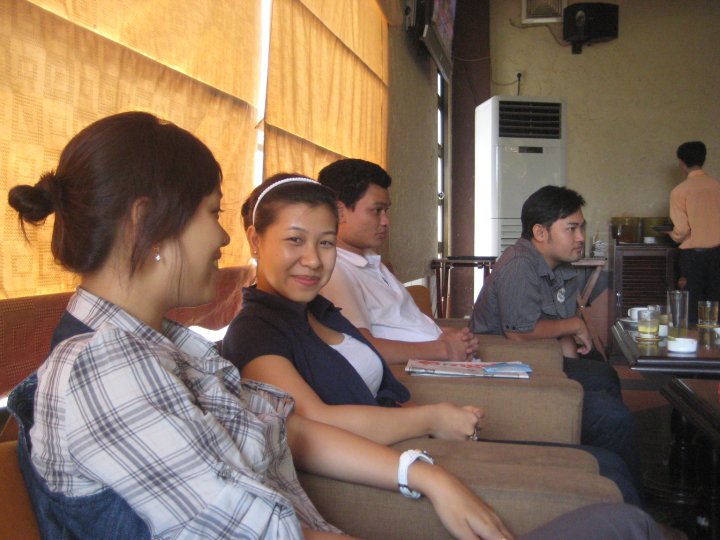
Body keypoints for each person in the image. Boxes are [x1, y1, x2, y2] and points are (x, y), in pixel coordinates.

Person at [6, 112, 513, 540]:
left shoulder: (163, 345)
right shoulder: (103, 368)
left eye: (325, 242)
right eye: (212, 211)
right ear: (147, 223)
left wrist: (425, 475)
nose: (222, 237)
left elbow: (291, 430)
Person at [224, 176, 641, 507]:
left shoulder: (318, 310)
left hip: (408, 437)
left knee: (608, 462)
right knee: (609, 472)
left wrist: (432, 416)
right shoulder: (256, 331)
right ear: (256, 240)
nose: (314, 260)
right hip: (380, 467)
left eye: (326, 242)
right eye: (295, 240)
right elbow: (313, 422)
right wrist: (431, 417)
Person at [470, 185, 642, 492]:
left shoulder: (558, 267)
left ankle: (607, 476)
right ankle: (619, 488)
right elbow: (519, 332)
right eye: (571, 229)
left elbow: (556, 327)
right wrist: (574, 326)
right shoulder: (520, 265)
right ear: (540, 232)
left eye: (581, 228)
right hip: (507, 370)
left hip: (539, 361)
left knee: (604, 375)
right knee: (613, 416)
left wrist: (570, 368)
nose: (580, 237)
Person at [313, 158, 476, 364]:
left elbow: (398, 324)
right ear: (339, 212)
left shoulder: (372, 260)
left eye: (386, 211)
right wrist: (444, 348)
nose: (385, 221)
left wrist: (445, 334)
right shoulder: (335, 270)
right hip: (414, 374)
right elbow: (360, 348)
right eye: (376, 210)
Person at [668, 141, 720, 323]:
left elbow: (682, 230)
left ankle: (692, 339)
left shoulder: (679, 191)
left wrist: (672, 235)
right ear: (703, 159)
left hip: (692, 257)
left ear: (681, 163)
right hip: (717, 254)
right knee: (715, 304)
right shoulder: (717, 186)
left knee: (691, 307)